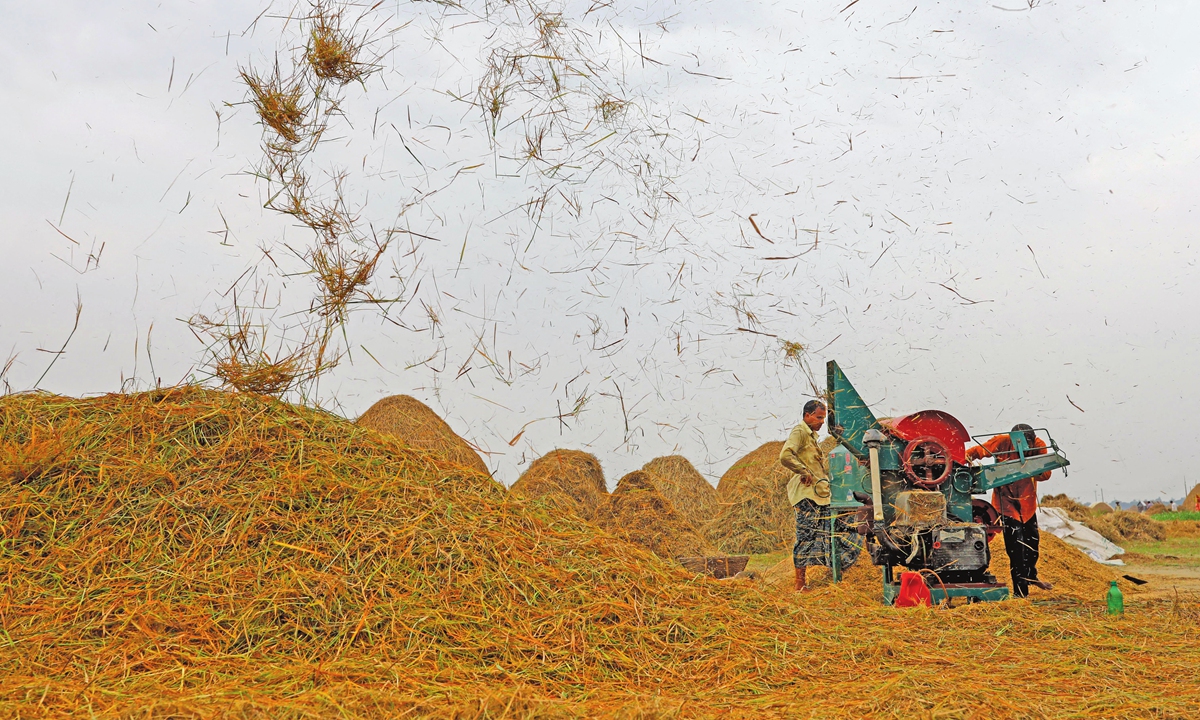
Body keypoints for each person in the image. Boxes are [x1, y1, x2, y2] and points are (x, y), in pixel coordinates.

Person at [966, 423, 1054, 598]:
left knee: (1032, 544)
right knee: (1016, 548)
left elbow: (1045, 475)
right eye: (1018, 444)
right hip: (1005, 502)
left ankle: (1031, 576)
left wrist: (1026, 467)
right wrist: (964, 461)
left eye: (1027, 444)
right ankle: (1020, 593)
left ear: (1033, 440)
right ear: (1013, 440)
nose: (1022, 448)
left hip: (1027, 503)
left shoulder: (1039, 446)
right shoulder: (1001, 442)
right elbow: (976, 452)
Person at [779, 399, 844, 592]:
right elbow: (785, 455)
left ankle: (827, 576)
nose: (822, 422)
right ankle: (799, 583)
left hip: (820, 496)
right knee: (805, 536)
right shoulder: (799, 432)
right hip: (807, 496)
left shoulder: (811, 436)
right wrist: (803, 471)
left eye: (823, 418)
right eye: (819, 417)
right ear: (807, 415)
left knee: (823, 536)